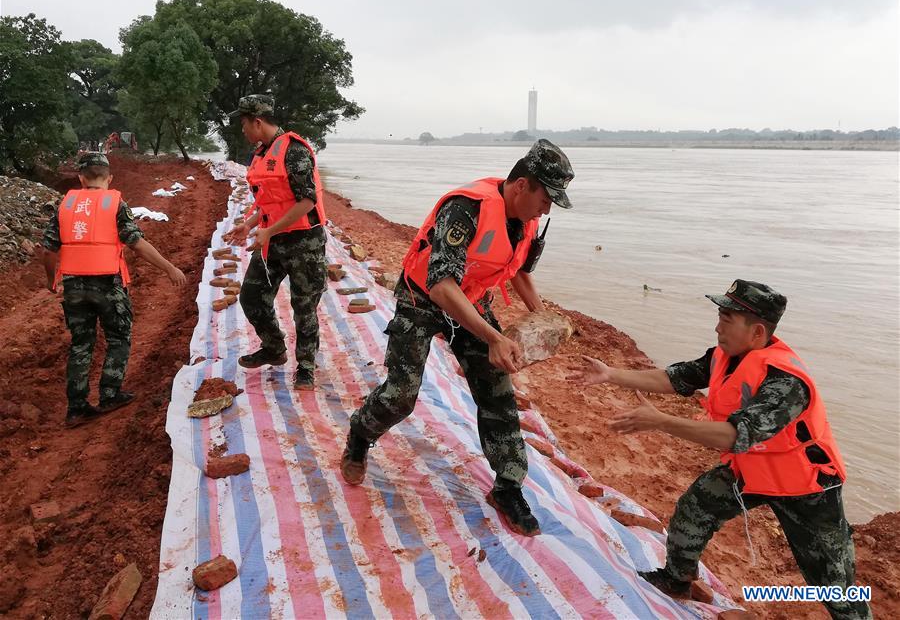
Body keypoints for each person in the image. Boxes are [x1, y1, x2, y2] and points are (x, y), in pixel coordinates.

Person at [569, 279, 871, 619]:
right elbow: (673, 378)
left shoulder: (785, 382)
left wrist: (661, 422)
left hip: (807, 486)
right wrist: (611, 374)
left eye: (727, 319)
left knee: (834, 582)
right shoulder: (724, 357)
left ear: (757, 332)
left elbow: (732, 436)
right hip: (754, 470)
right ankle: (676, 579)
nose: (717, 326)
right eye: (720, 316)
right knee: (695, 508)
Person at [340, 139, 575, 536]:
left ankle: (508, 486)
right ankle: (360, 437)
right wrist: (494, 337)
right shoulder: (466, 209)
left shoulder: (528, 219)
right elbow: (441, 287)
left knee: (497, 390)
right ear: (522, 185)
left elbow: (519, 271)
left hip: (472, 300)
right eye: (546, 197)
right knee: (401, 395)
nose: (548, 207)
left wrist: (543, 317)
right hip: (424, 299)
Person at [42, 152, 186, 428]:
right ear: (109, 177)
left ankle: (76, 408)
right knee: (119, 337)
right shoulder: (115, 203)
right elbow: (137, 243)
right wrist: (169, 268)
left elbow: (48, 251)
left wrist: (52, 281)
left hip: (73, 285)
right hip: (107, 284)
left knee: (81, 344)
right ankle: (110, 394)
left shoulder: (66, 205)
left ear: (81, 178)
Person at [222, 94, 327, 390]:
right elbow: (271, 201)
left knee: (304, 306)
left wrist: (269, 231)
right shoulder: (260, 153)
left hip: (304, 242)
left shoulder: (294, 151)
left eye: (244, 123)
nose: (242, 130)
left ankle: (305, 366)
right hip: (272, 239)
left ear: (257, 122)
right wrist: (249, 224)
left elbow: (307, 200)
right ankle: (274, 348)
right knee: (252, 297)